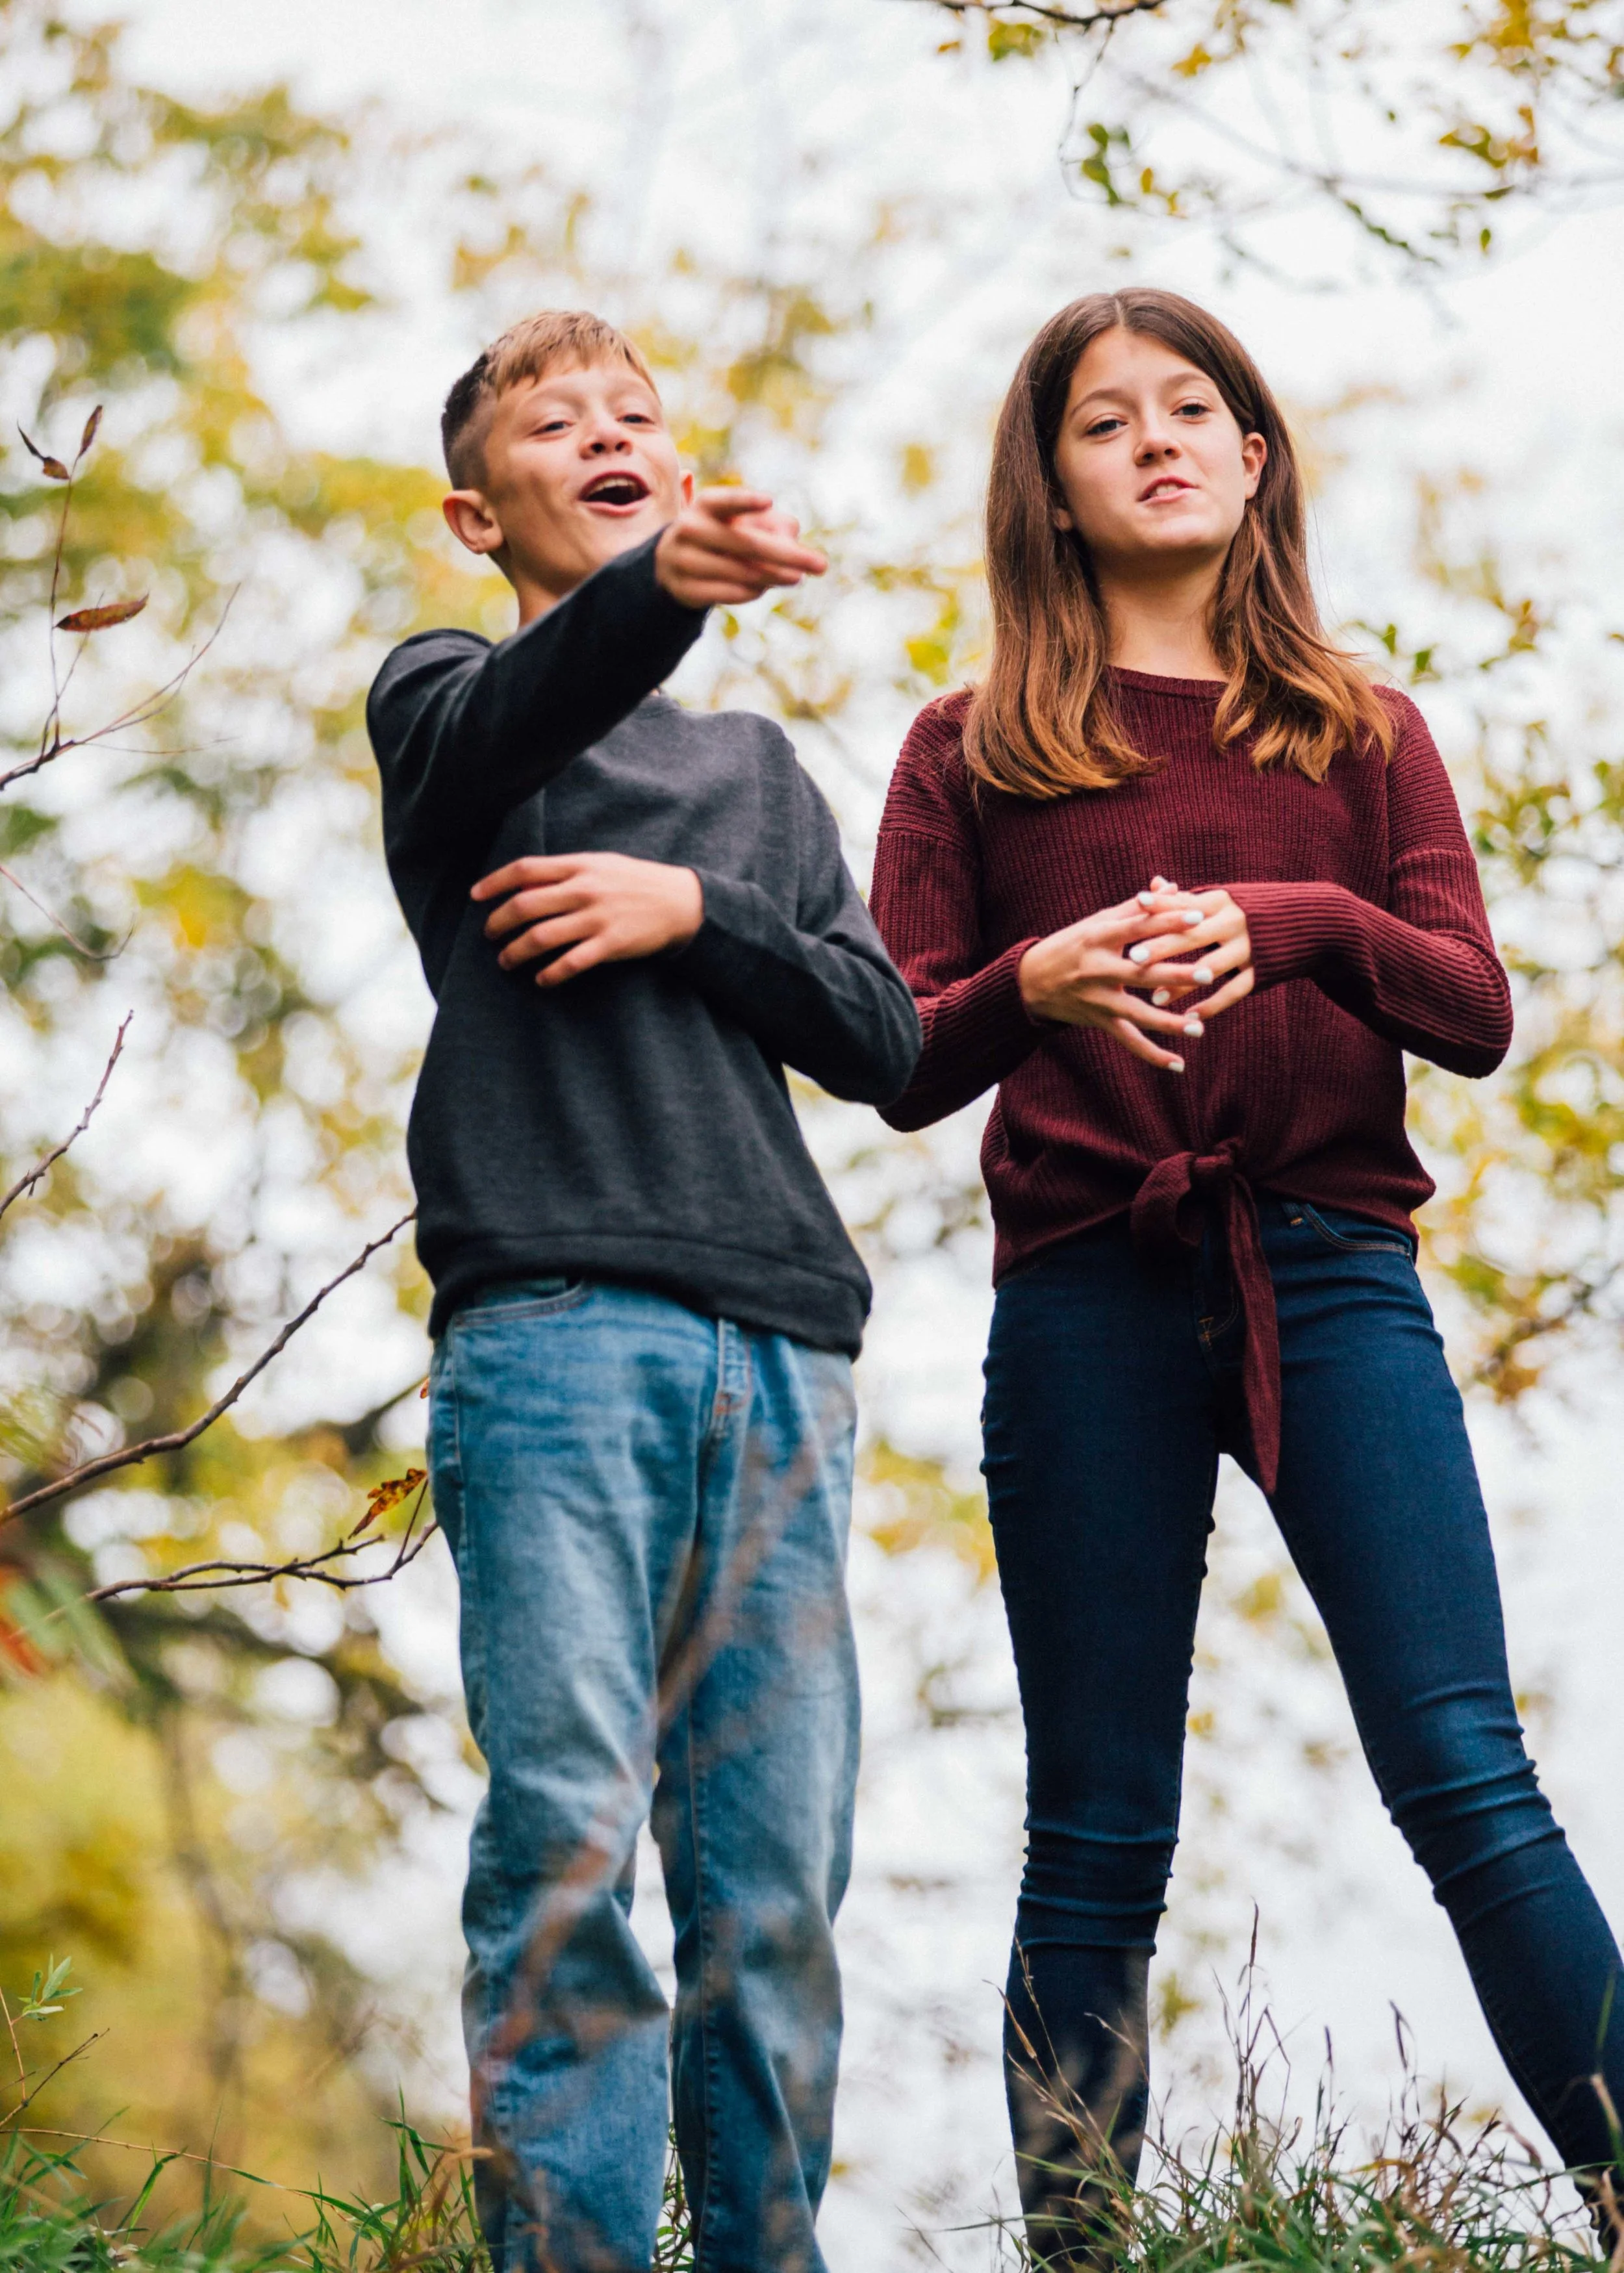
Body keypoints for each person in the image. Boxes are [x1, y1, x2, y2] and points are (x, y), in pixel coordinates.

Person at [869, 286, 1624, 2261]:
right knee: (1098, 1834)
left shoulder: (1361, 733)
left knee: (1468, 1777)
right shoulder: (967, 751)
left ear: (1255, 451)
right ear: (1048, 485)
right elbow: (889, 1052)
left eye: (1190, 407)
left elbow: (1469, 1011)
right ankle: (1082, 2252)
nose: (1155, 441)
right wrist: (1029, 984)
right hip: (1086, 1301)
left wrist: (1295, 921)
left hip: (1334, 1278)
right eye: (1102, 423)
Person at [366, 309, 920, 2273]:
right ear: (474, 505)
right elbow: (521, 714)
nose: (605, 432)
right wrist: (663, 596)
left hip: (780, 1344)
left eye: (636, 417)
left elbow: (891, 1040)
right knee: (569, 1843)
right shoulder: (449, 704)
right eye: (553, 422)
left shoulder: (758, 777)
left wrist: (695, 915)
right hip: (552, 1343)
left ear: (680, 468)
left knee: (772, 1884)